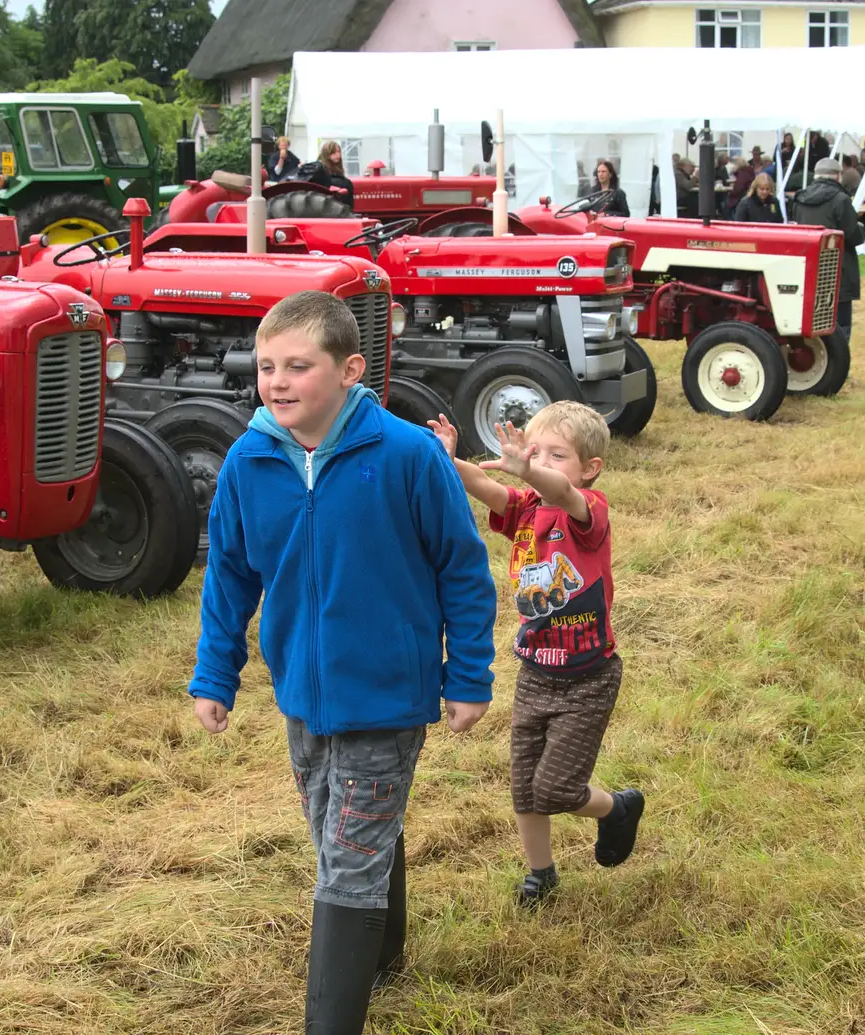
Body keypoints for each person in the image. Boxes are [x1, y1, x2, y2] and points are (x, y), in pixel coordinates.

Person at [189, 291, 497, 1032]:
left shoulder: (407, 456)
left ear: (350, 369)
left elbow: (462, 567)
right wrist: (214, 672)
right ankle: (382, 953)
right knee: (336, 827)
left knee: (347, 858)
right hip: (302, 690)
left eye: (300, 365)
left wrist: (469, 674)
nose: (279, 381)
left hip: (389, 692)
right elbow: (230, 574)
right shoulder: (249, 460)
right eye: (267, 366)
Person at [428, 404, 643, 909]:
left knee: (556, 787)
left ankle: (616, 810)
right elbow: (487, 488)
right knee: (525, 787)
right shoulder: (526, 509)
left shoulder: (587, 509)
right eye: (535, 450)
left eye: (556, 455)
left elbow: (561, 491)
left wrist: (531, 470)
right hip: (535, 673)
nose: (539, 461)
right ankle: (540, 873)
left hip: (588, 677)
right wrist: (447, 459)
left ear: (589, 468)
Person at [791, 158, 865, 342]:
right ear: (837, 176)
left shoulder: (800, 198)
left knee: (812, 315)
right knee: (840, 320)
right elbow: (853, 235)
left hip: (809, 265)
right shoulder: (840, 200)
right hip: (837, 265)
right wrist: (861, 228)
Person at [307, 140, 355, 207]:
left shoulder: (337, 170)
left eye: (338, 152)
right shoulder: (320, 170)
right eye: (333, 152)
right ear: (326, 154)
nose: (337, 154)